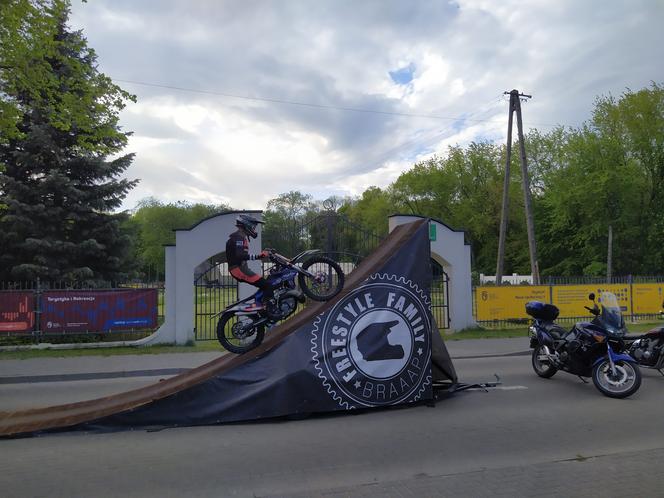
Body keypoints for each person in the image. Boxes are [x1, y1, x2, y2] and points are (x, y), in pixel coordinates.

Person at [226, 214, 273, 311]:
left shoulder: (240, 237)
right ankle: (265, 308)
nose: (254, 229)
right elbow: (240, 256)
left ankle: (261, 304)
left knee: (264, 284)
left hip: (240, 268)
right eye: (253, 226)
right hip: (238, 269)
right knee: (267, 285)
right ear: (246, 225)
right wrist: (259, 256)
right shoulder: (238, 238)